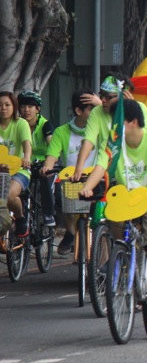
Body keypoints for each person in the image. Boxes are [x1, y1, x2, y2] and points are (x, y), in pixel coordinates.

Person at [79, 99, 147, 325]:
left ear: (133, 122)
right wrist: (85, 189)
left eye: (117, 122)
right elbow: (100, 167)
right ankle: (122, 260)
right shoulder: (115, 143)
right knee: (113, 226)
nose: (112, 127)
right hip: (126, 199)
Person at [42, 89, 98, 255]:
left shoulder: (100, 129)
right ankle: (72, 232)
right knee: (58, 200)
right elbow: (52, 156)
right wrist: (47, 167)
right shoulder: (61, 132)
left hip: (96, 181)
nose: (97, 113)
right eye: (92, 109)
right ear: (78, 111)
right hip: (71, 182)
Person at [72, 74, 147, 182]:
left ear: (123, 96)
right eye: (101, 95)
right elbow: (88, 140)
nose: (103, 100)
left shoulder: (140, 108)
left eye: (108, 97)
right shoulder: (97, 112)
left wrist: (132, 110)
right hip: (107, 172)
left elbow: (146, 136)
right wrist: (79, 169)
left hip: (135, 172)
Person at [18, 91, 56, 227]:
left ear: (38, 109)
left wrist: (48, 163)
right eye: (23, 106)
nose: (26, 110)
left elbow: (53, 147)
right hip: (21, 164)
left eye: (30, 106)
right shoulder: (17, 124)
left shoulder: (45, 125)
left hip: (42, 164)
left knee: (44, 176)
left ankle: (48, 213)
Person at [0, 92, 32, 243]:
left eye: (7, 105)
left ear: (14, 107)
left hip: (18, 170)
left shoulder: (21, 123)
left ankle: (20, 219)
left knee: (10, 194)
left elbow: (27, 144)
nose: (3, 108)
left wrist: (26, 157)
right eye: (0, 105)